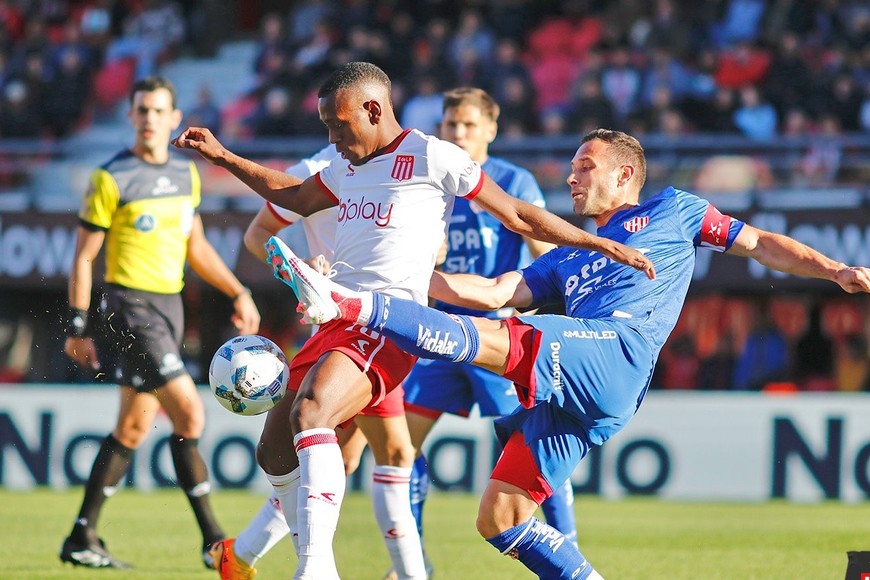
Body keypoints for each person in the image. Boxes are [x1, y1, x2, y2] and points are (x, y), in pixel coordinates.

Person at [270, 128, 870, 578]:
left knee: (491, 340)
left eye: (588, 166)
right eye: (575, 167)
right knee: (499, 518)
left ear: (627, 174)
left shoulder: (674, 210)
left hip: (618, 348)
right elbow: (495, 291)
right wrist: (396, 275)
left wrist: (833, 269)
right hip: (585, 387)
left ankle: (345, 307)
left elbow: (762, 243)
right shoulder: (563, 255)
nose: (574, 177)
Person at [173, 62, 652, 579]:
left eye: (338, 125)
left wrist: (594, 241)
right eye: (327, 129)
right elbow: (290, 197)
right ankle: (277, 559)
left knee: (315, 415)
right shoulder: (345, 168)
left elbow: (517, 214)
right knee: (274, 453)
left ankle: (316, 570)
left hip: (389, 323)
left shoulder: (431, 155)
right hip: (335, 318)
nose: (333, 139)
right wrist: (222, 156)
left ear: (374, 109)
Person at [59, 76, 261, 570]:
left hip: (169, 307)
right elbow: (84, 258)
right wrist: (78, 325)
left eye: (158, 111)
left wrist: (237, 290)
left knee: (132, 427)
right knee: (190, 414)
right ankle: (213, 542)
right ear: (130, 116)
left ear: (174, 119)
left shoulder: (186, 175)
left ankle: (81, 536)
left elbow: (197, 248)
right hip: (129, 308)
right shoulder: (111, 178)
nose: (149, 118)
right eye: (141, 110)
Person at [211, 143, 428, 580]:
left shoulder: (401, 169)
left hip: (385, 324)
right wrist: (299, 271)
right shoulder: (313, 173)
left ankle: (245, 554)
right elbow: (258, 237)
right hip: (339, 334)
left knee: (347, 457)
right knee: (364, 452)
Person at [398, 87, 578, 565]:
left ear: (491, 130)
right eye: (451, 124)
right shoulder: (429, 182)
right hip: (437, 331)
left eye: (469, 125)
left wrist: (559, 303)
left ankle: (569, 547)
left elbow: (540, 243)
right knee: (400, 445)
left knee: (529, 446)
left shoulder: (510, 180)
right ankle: (413, 562)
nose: (457, 133)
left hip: (496, 336)